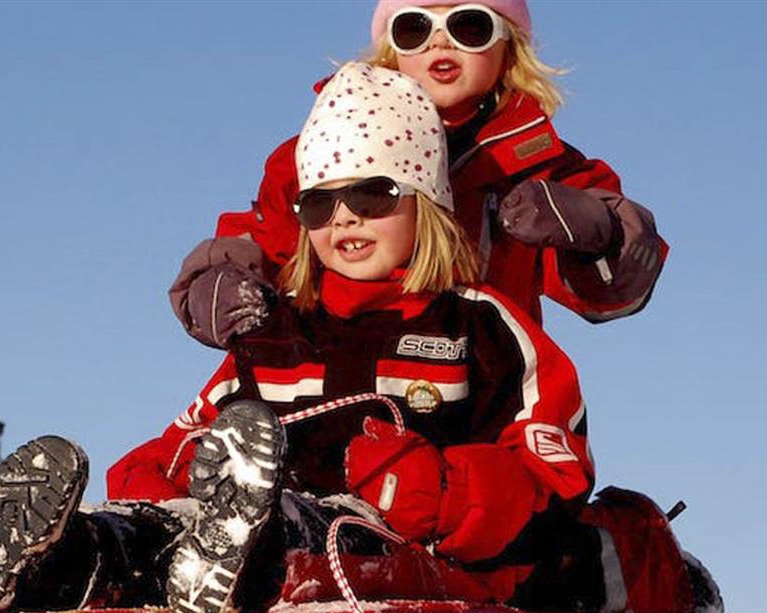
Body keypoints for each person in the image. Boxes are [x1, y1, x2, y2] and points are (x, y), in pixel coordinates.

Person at [0, 64, 720, 613]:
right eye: (320, 202)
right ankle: (54, 562)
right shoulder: (277, 331)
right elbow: (183, 438)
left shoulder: (480, 327)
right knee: (160, 528)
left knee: (322, 536)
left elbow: (552, 476)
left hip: (398, 543)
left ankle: (234, 556)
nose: (345, 217)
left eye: (373, 194)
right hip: (247, 524)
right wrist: (162, 480)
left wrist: (440, 489)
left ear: (427, 205)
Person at [170, 0, 667, 351]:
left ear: (509, 45)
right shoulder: (325, 151)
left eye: (469, 26)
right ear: (391, 48)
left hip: (483, 384)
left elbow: (614, 294)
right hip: (342, 370)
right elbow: (270, 239)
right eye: (414, 28)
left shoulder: (539, 166)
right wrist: (221, 282)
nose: (440, 41)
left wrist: (598, 231)